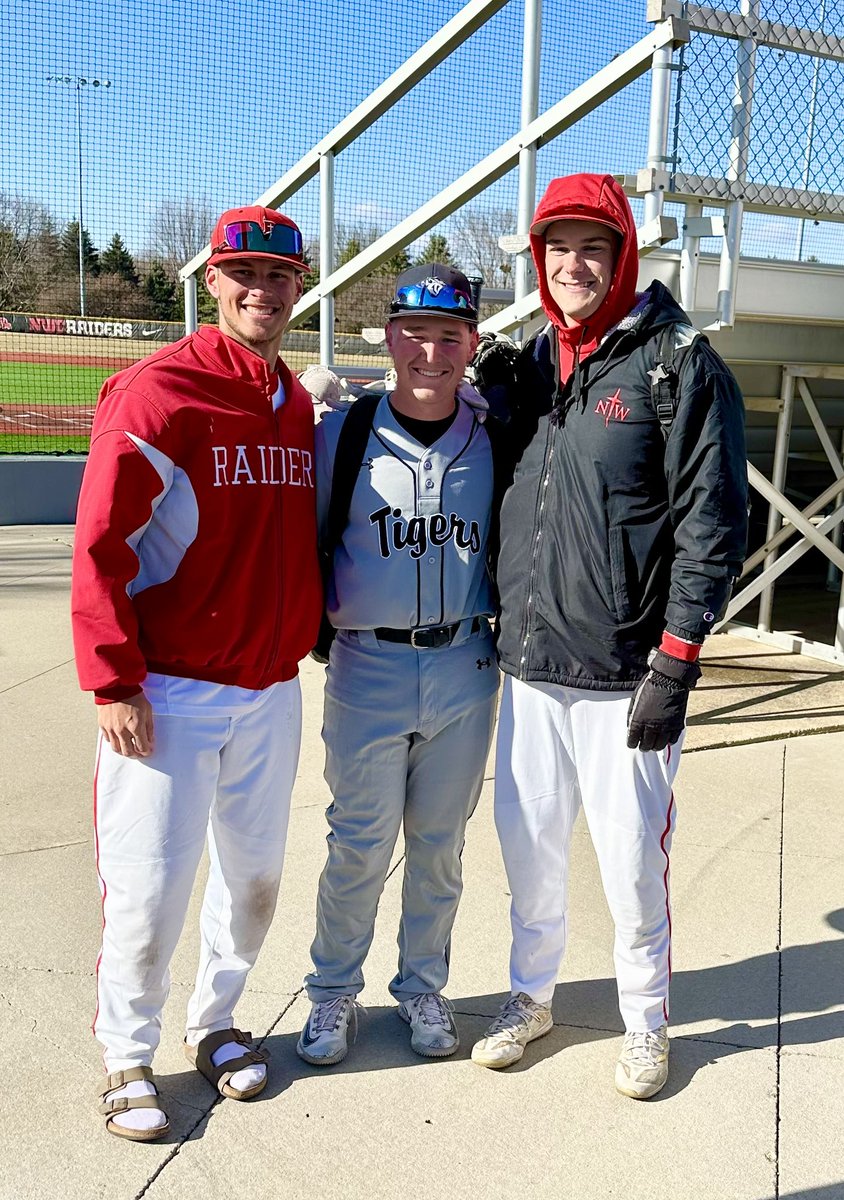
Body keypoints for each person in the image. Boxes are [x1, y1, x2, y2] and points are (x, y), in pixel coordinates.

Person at [470, 174, 748, 1098]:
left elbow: (712, 523)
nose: (574, 264)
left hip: (626, 674)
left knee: (631, 869)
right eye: (558, 248)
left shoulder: (678, 363)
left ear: (623, 252)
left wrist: (678, 658)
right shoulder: (535, 363)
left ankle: (645, 1023)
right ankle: (530, 997)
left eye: (593, 245)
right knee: (529, 852)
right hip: (531, 668)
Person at [70, 205, 321, 1141]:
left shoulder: (289, 398)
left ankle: (215, 1023)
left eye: (281, 276)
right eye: (243, 273)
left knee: (253, 876)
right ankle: (126, 1053)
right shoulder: (157, 392)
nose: (262, 290)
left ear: (302, 287)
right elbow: (99, 546)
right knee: (148, 882)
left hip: (269, 687)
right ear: (211, 281)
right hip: (167, 688)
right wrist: (112, 679)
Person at [296, 264, 501, 1066]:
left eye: (449, 335)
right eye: (415, 332)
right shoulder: (342, 433)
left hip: (464, 662)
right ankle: (332, 991)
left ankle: (422, 985)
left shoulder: (493, 435)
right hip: (367, 664)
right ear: (388, 338)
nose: (431, 351)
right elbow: (301, 539)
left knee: (441, 843)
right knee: (359, 842)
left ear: (471, 345)